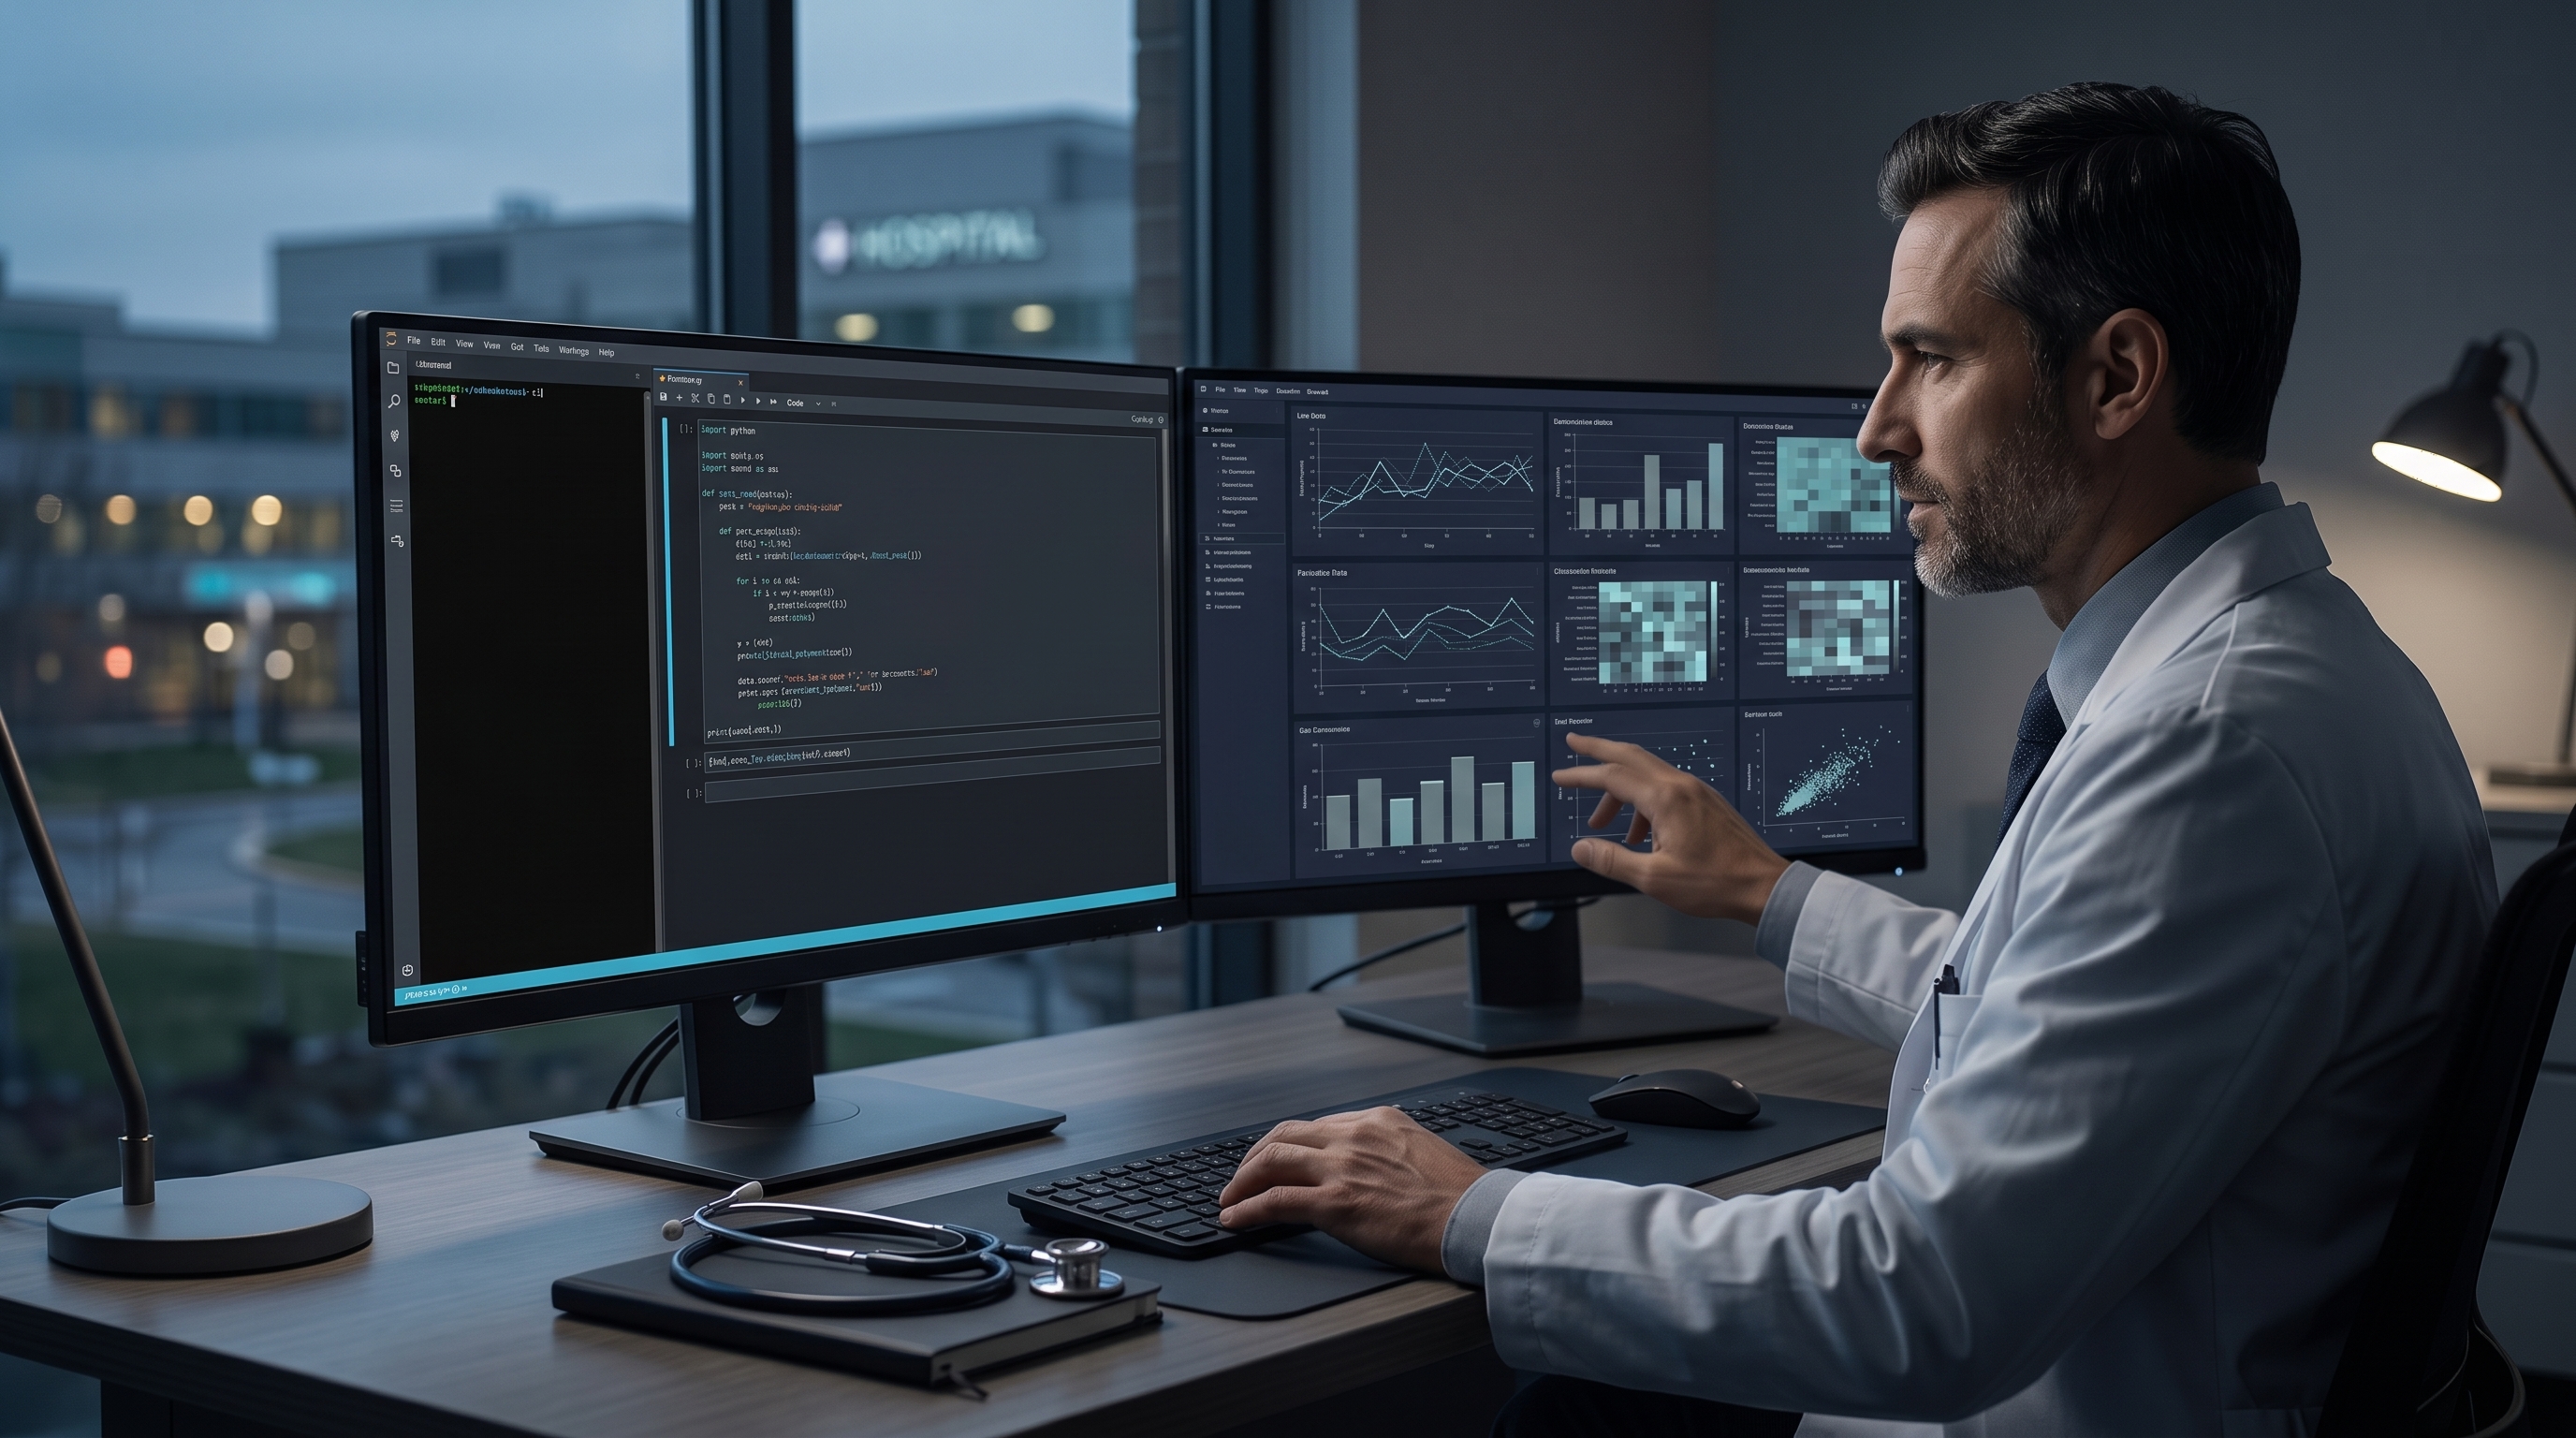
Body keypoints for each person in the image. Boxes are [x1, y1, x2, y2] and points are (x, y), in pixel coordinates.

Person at [1213, 82, 2496, 1435]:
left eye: (1932, 359)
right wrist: (1776, 894)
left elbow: (1920, 1304)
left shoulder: (2209, 752)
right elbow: (2057, 1002)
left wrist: (1468, 1207)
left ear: (2118, 377)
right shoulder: (2302, 669)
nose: (1879, 428)